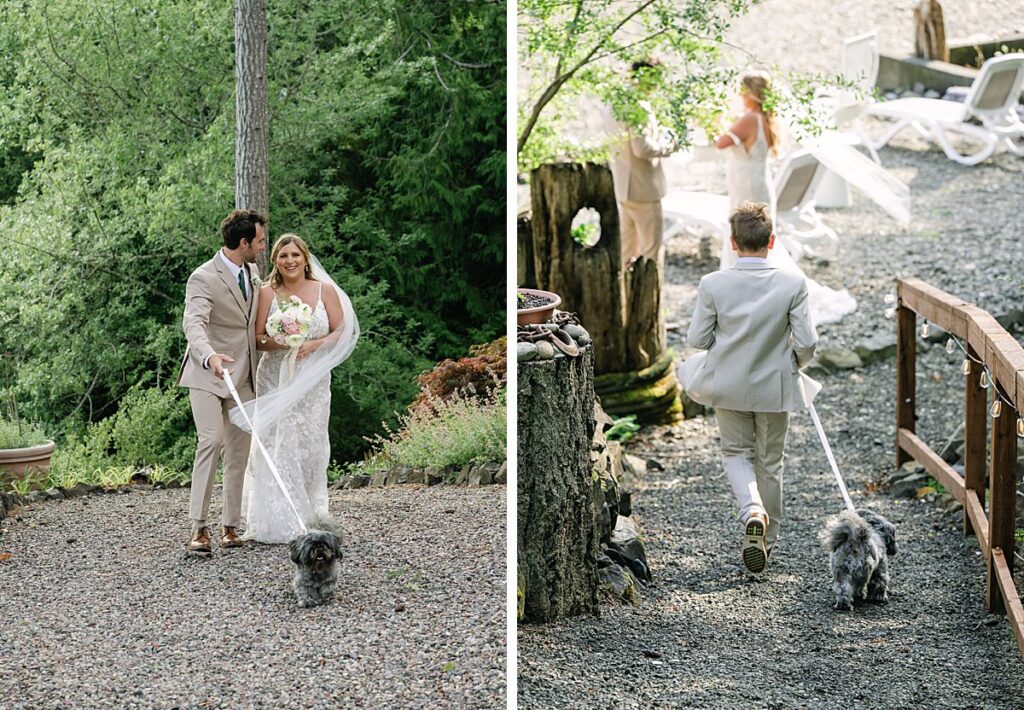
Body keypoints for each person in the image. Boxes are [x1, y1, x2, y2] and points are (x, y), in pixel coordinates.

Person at [682, 202, 817, 573]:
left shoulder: (713, 284)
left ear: (733, 242)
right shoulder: (793, 284)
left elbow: (697, 337)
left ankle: (751, 510)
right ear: (771, 241)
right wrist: (795, 366)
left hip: (728, 384)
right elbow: (806, 343)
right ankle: (767, 544)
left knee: (736, 453)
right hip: (774, 387)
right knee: (771, 462)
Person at [230, 234, 359, 544]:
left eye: (295, 255)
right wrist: (282, 340)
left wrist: (314, 343)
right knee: (277, 445)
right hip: (275, 377)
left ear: (305, 258)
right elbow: (258, 339)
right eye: (283, 255)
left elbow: (341, 330)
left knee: (311, 447)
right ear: (275, 260)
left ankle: (311, 517)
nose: (289, 261)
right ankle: (280, 521)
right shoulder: (266, 293)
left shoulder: (324, 290)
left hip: (313, 382)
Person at [715, 69, 856, 327]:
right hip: (758, 185)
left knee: (743, 233)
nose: (739, 95)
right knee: (757, 238)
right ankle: (755, 290)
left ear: (751, 94)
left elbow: (721, 143)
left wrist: (716, 121)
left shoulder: (747, 119)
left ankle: (744, 294)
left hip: (746, 188)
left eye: (743, 91)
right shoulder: (765, 119)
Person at [178, 209, 267, 553]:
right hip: (207, 372)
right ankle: (198, 528)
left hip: (242, 375)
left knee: (239, 451)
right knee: (211, 441)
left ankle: (230, 526)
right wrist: (209, 356)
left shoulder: (254, 272)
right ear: (243, 242)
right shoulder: (203, 277)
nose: (262, 247)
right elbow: (194, 324)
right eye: (258, 241)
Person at [608, 58, 678, 270]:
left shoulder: (617, 101)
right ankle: (649, 301)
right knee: (651, 253)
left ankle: (623, 299)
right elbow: (642, 149)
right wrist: (670, 146)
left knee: (627, 251)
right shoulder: (638, 106)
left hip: (623, 186)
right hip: (643, 189)